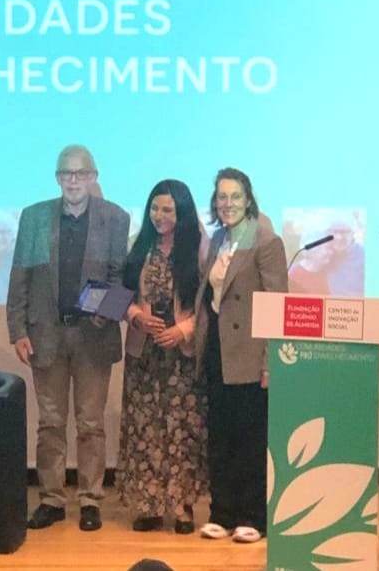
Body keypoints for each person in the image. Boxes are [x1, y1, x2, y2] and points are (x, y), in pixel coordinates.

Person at [6, 145, 130, 532]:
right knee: (51, 423)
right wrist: (17, 330)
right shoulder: (35, 218)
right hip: (46, 334)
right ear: (57, 179)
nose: (73, 181)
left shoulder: (115, 218)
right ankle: (52, 499)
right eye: (66, 174)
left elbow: (121, 279)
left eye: (81, 174)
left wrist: (104, 312)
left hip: (94, 336)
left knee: (90, 423)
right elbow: (20, 276)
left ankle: (90, 499)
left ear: (94, 177)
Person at [193, 167, 288, 543]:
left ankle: (252, 516)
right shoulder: (218, 239)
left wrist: (270, 362)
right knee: (221, 435)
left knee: (250, 438)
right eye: (222, 197)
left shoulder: (266, 240)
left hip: (250, 352)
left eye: (235, 196)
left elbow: (277, 305)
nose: (227, 203)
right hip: (218, 349)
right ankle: (222, 512)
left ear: (248, 199)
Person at [116, 179, 207, 534]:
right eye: (155, 208)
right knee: (146, 428)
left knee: (182, 429)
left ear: (182, 212)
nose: (159, 216)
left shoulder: (199, 249)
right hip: (144, 354)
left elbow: (208, 304)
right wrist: (135, 315)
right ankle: (149, 504)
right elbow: (120, 294)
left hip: (181, 355)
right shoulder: (137, 246)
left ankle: (183, 506)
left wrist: (183, 330)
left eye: (168, 209)